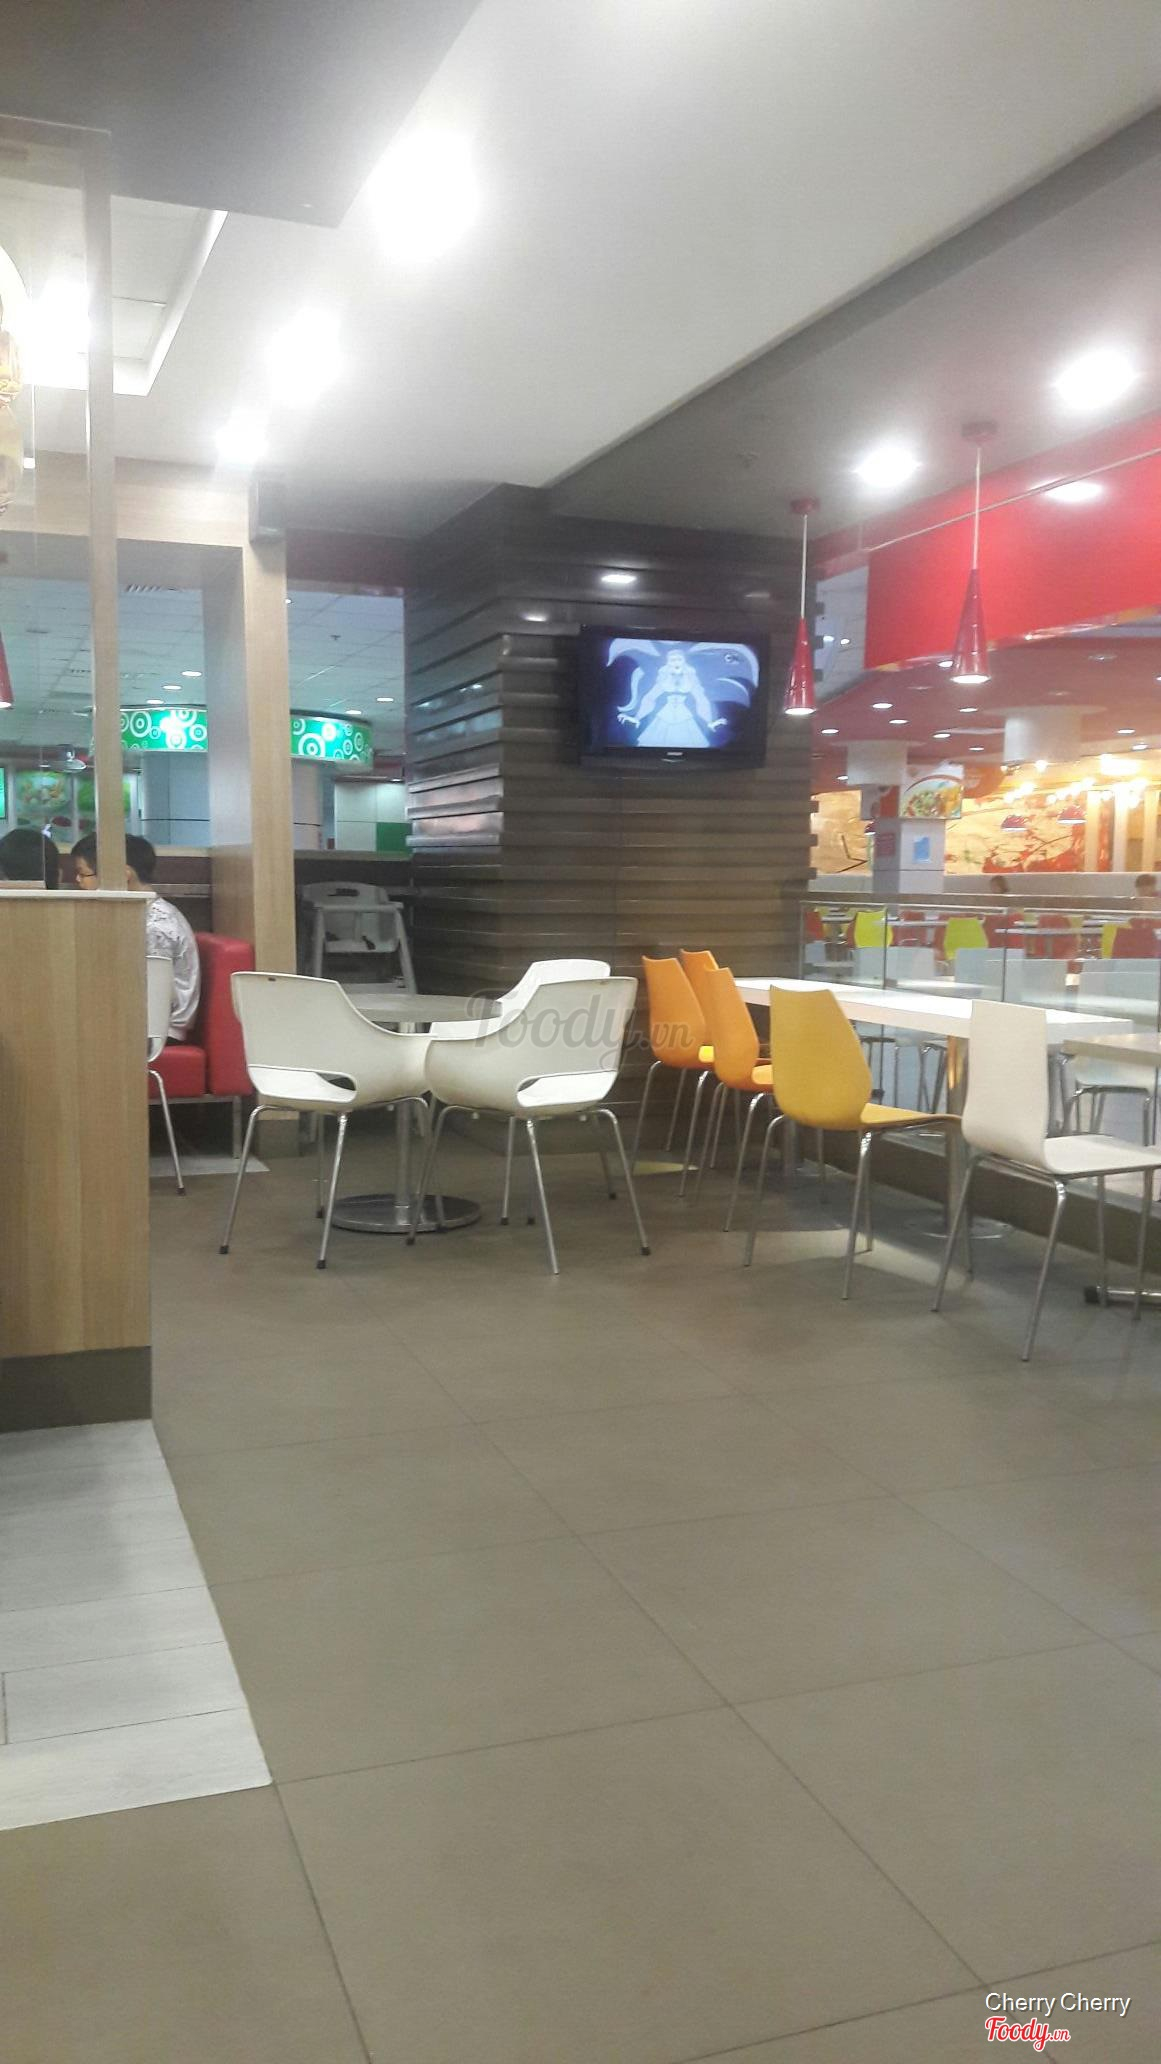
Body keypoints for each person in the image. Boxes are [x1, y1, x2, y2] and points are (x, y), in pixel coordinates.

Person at [72, 832, 201, 1037]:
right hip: (137, 1022)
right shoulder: (136, 915)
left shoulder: (155, 926)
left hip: (157, 1032)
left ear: (123, 874)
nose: (77, 880)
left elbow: (151, 999)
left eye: (83, 873)